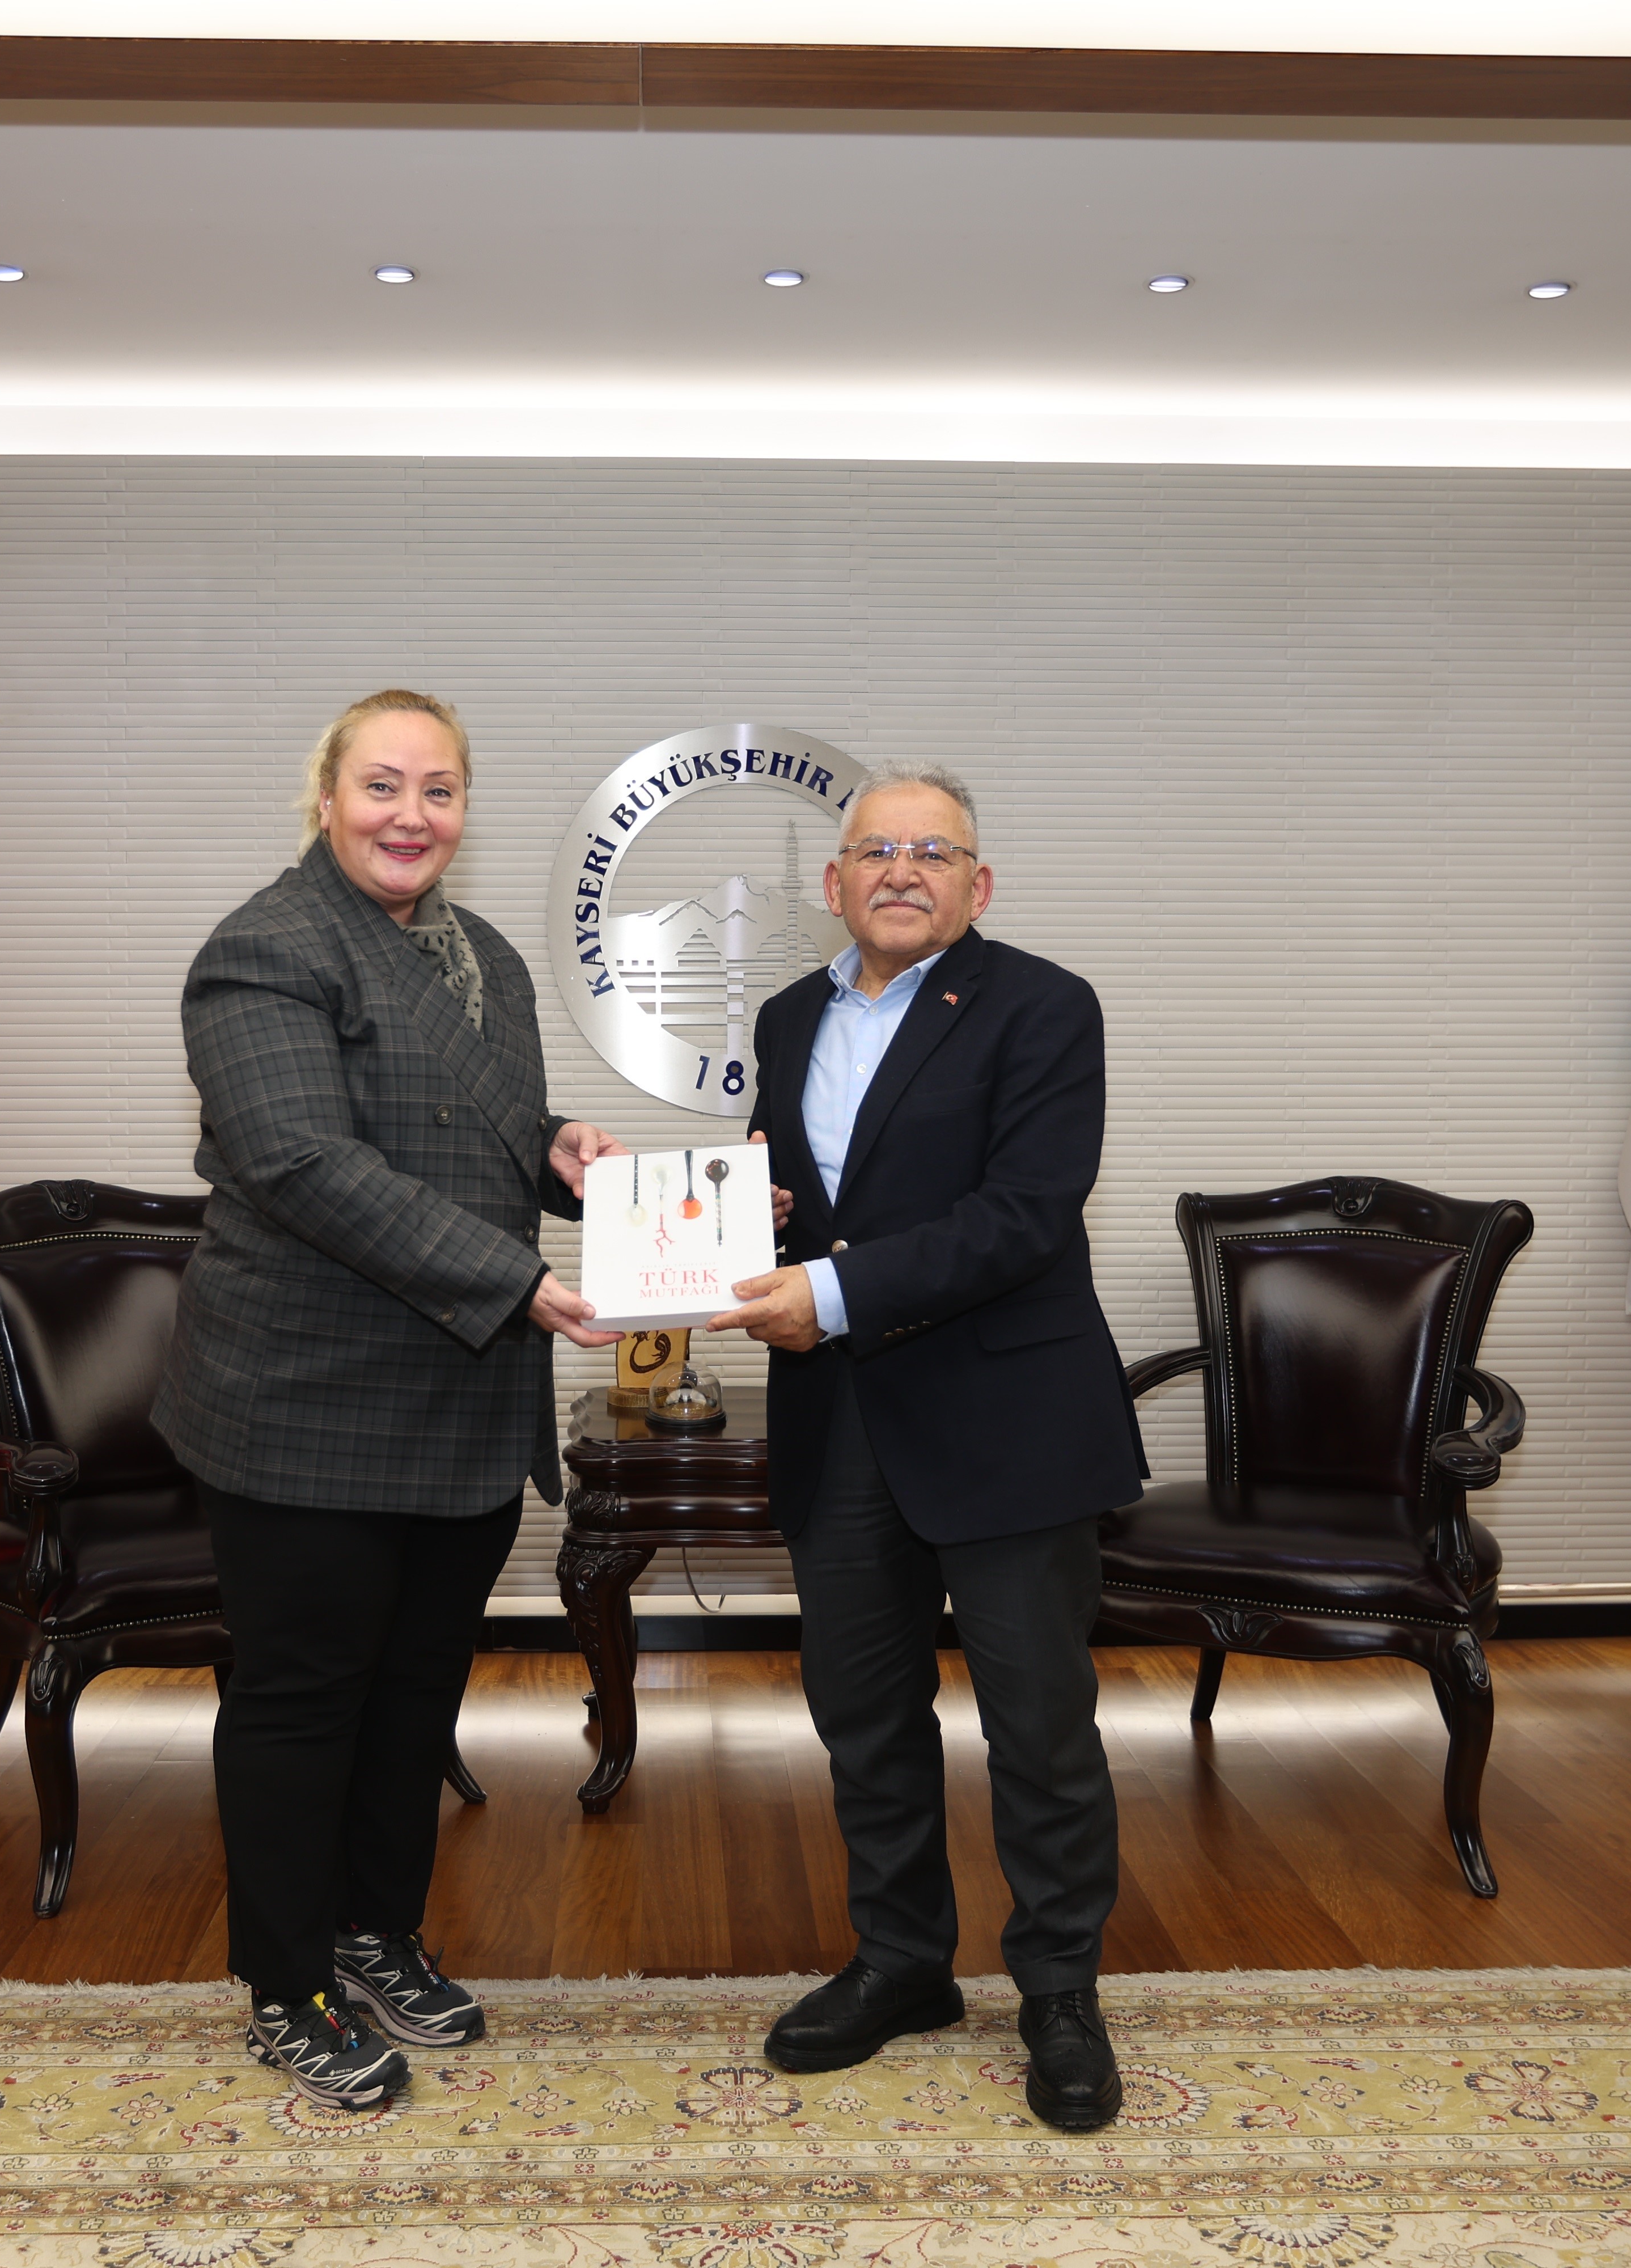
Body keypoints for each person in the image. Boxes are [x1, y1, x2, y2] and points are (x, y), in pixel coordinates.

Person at [159, 688, 624, 2109]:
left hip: (460, 1397)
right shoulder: (263, 948)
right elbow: (304, 1161)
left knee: (415, 1695)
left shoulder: (486, 956)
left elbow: (459, 1123)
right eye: (381, 785)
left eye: (438, 789)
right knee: (304, 1703)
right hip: (307, 1399)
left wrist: (557, 1151)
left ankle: (374, 1932)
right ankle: (285, 1983)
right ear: (326, 799)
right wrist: (517, 1276)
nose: (410, 815)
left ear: (464, 809)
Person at [705, 763, 1146, 2133]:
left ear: (978, 883)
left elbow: (1025, 1212)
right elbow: (815, 1206)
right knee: (863, 1715)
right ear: (835, 883)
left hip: (1006, 1419)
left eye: (933, 850)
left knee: (1040, 1723)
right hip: (838, 1419)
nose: (902, 869)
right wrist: (758, 1226)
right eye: (876, 849)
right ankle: (902, 1961)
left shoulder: (1045, 1006)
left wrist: (831, 1289)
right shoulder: (789, 1016)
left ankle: (1059, 1989)